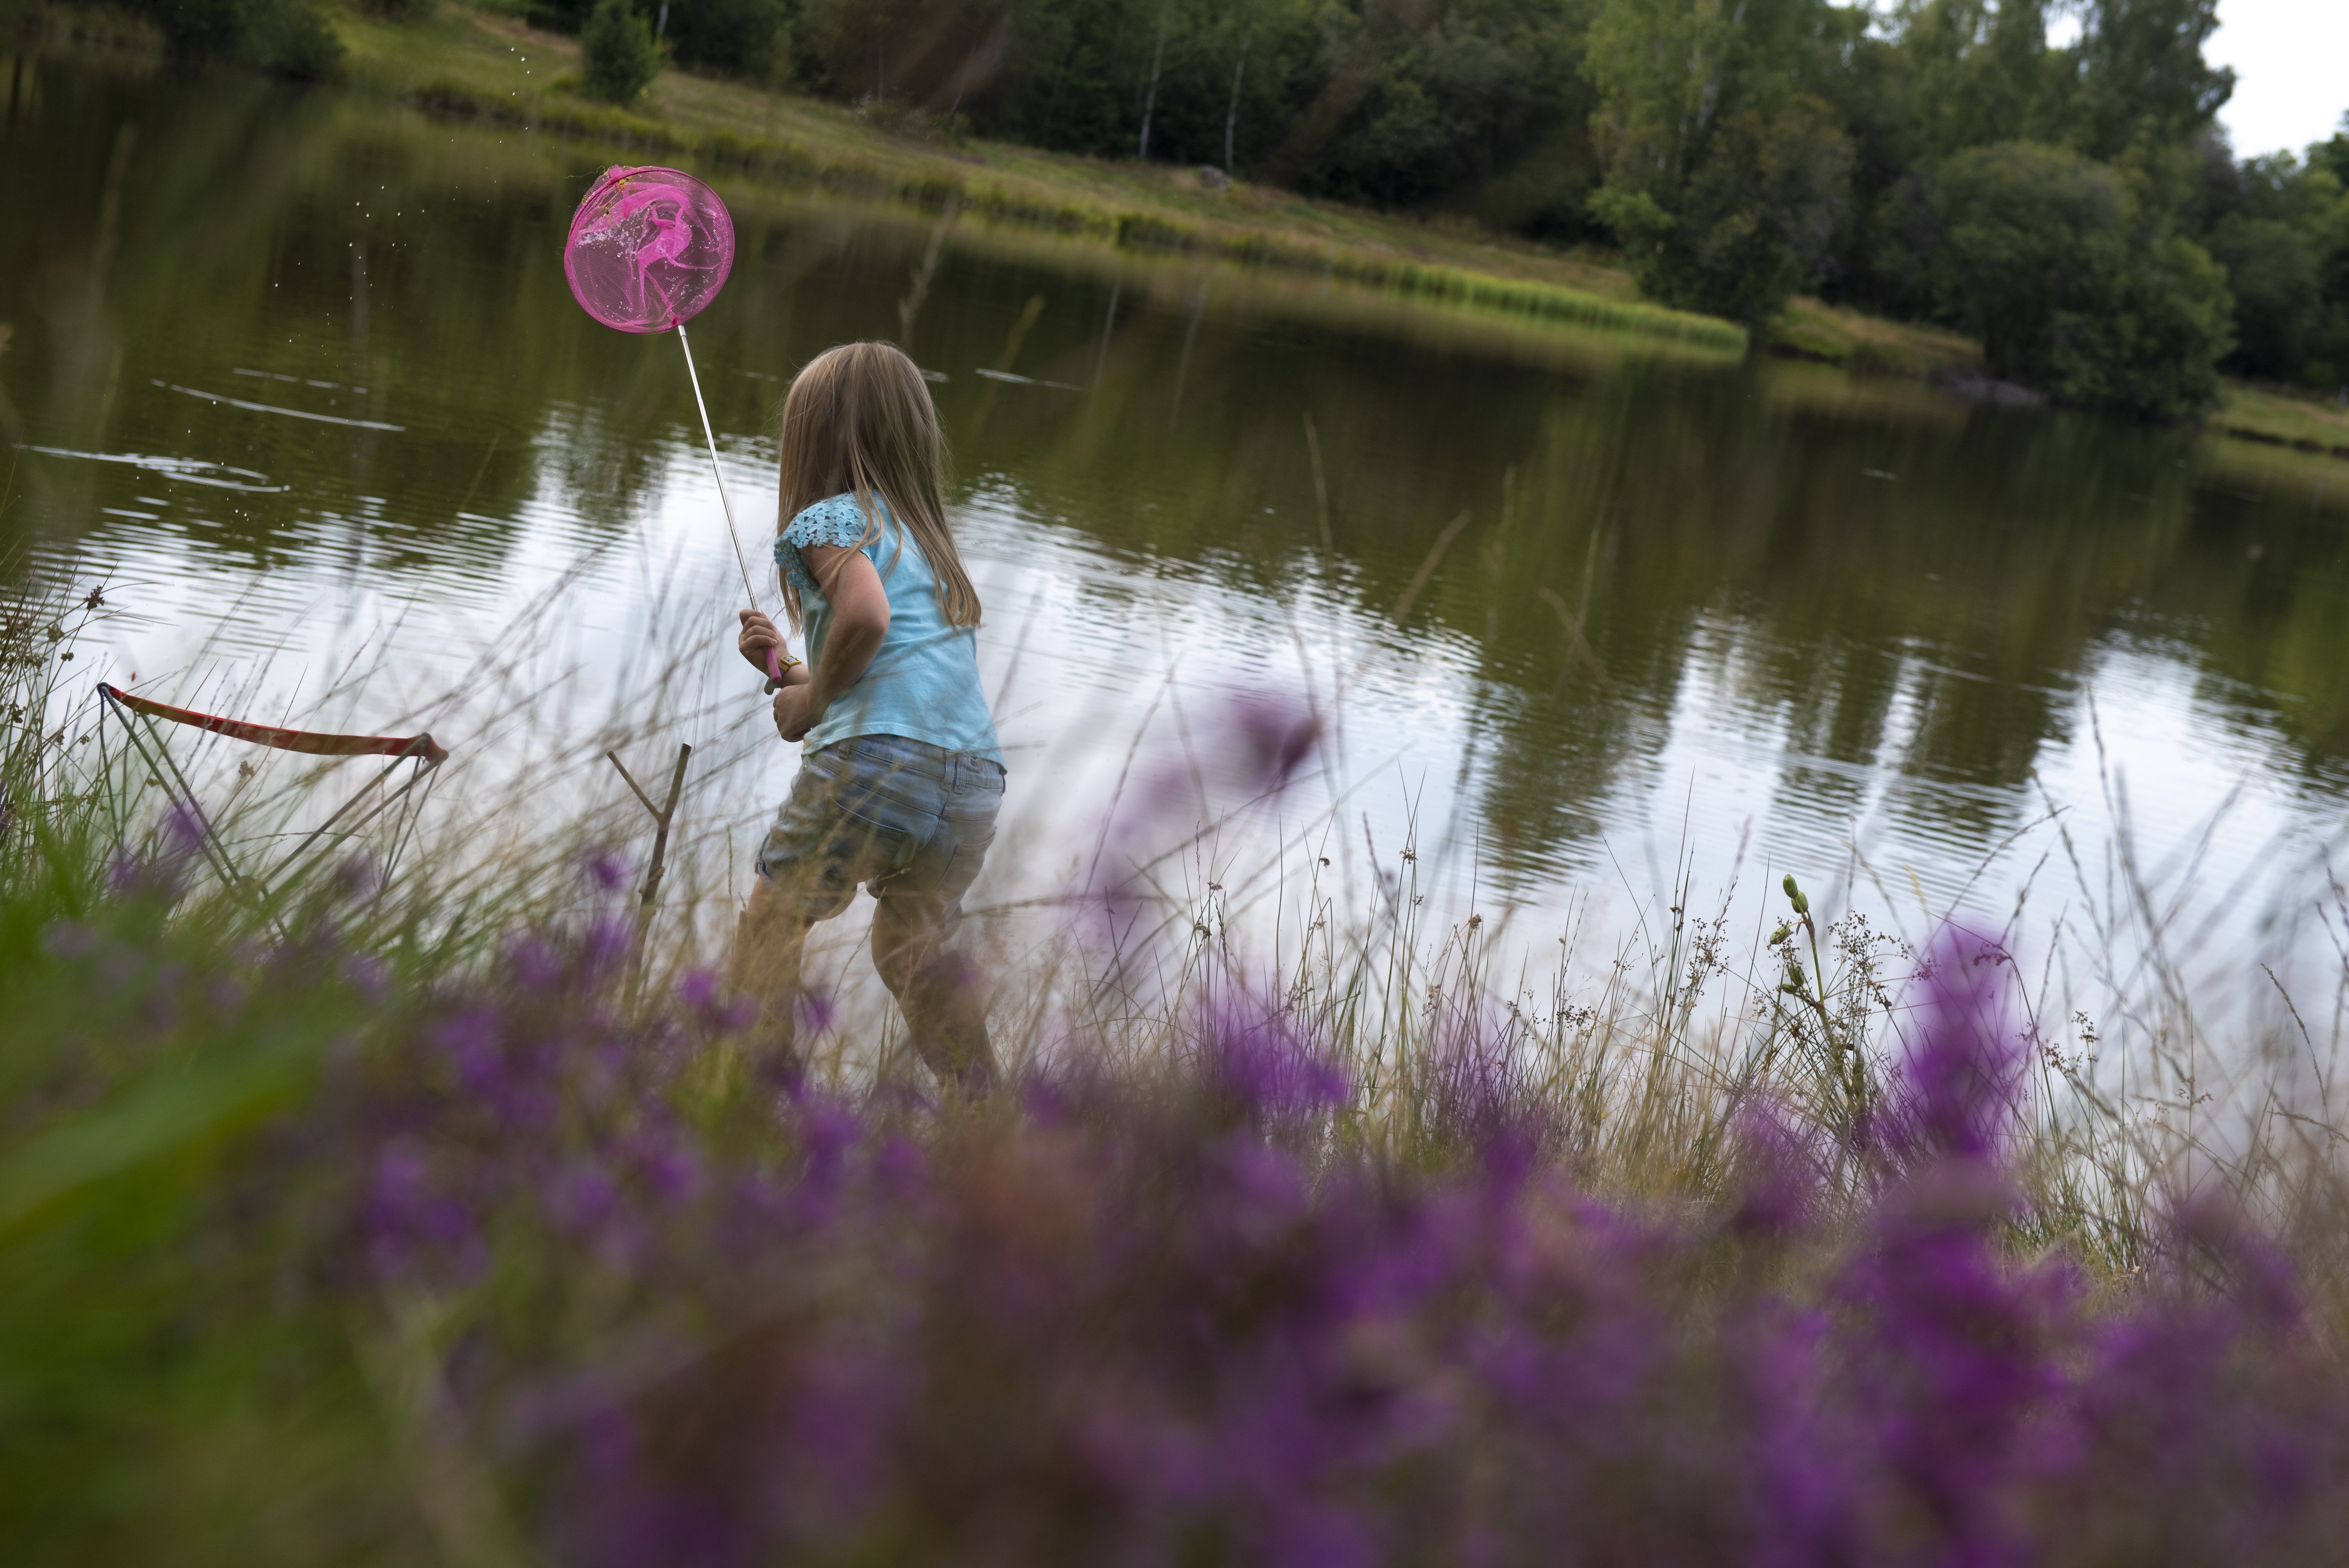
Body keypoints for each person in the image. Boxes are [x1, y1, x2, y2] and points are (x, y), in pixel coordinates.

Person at [729, 341, 1004, 1092]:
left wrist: (808, 704)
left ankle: (750, 1108)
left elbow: (867, 618)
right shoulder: (931, 545)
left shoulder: (825, 521)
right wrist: (790, 668)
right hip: (973, 783)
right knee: (907, 946)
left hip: (874, 764)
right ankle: (983, 1111)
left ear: (811, 439)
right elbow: (889, 672)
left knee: (771, 924)